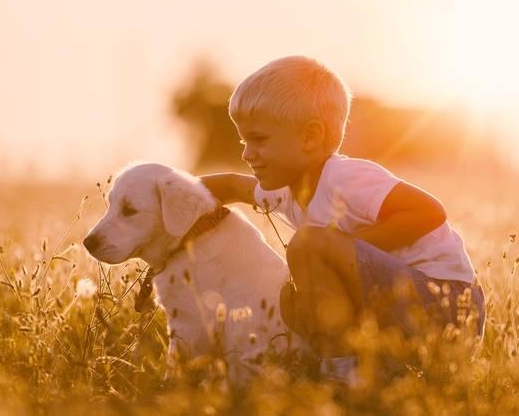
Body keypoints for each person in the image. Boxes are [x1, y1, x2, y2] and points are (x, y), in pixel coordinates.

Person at [199, 55, 486, 387]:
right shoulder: (285, 189)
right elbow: (232, 186)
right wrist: (170, 194)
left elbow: (429, 211)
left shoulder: (345, 178)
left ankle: (342, 376)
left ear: (310, 137)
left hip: (448, 308)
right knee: (292, 300)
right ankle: (371, 369)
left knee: (309, 245)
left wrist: (344, 249)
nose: (247, 153)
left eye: (259, 139)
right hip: (403, 312)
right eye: (243, 141)